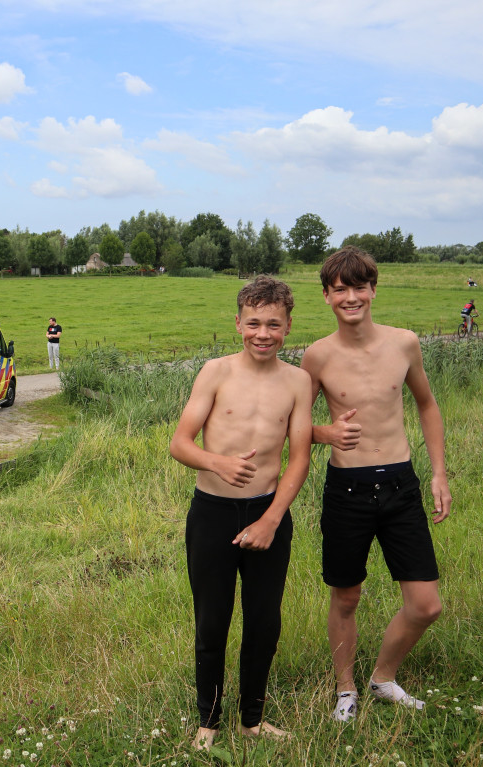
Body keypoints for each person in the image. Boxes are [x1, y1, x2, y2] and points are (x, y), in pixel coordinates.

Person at [302, 247, 451, 722]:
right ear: (326, 296)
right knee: (347, 596)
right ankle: (345, 688)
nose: (351, 296)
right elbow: (292, 424)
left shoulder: (404, 343)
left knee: (426, 605)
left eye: (359, 286)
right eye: (340, 288)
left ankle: (382, 678)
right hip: (347, 488)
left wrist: (439, 473)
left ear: (373, 289)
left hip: (401, 485)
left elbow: (427, 405)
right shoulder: (317, 356)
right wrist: (325, 433)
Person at [169, 277, 312, 747]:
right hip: (211, 513)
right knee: (212, 620)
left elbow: (300, 457)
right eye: (254, 323)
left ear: (288, 327)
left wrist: (272, 519)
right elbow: (180, 443)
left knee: (264, 621)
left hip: (268, 515)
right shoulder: (215, 372)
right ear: (238, 324)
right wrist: (218, 462)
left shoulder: (298, 381)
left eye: (273, 324)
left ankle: (252, 718)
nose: (263, 333)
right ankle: (208, 720)